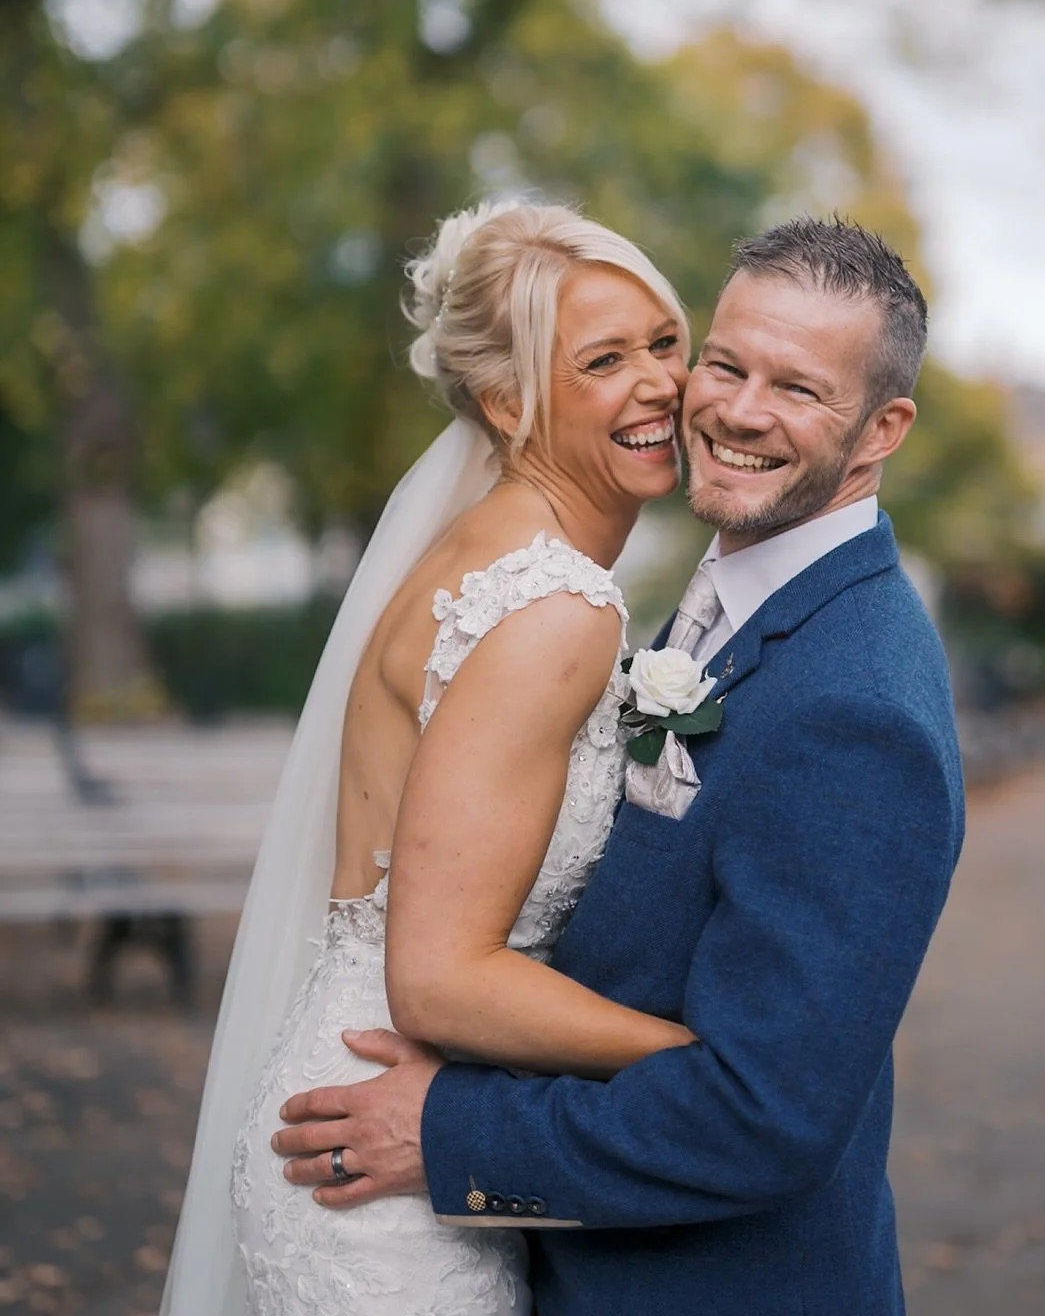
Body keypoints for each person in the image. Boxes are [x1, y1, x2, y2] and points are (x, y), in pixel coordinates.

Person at [273, 216, 966, 1316]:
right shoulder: (698, 600)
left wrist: (454, 1130)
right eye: (726, 363)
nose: (735, 409)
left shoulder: (857, 707)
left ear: (882, 429)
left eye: (798, 390)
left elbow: (763, 1114)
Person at [162, 201, 697, 1316]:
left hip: (367, 1109)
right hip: (385, 1163)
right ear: (510, 404)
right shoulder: (553, 605)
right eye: (605, 360)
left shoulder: (484, 555)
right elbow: (443, 977)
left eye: (665, 342)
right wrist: (700, 1061)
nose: (663, 384)